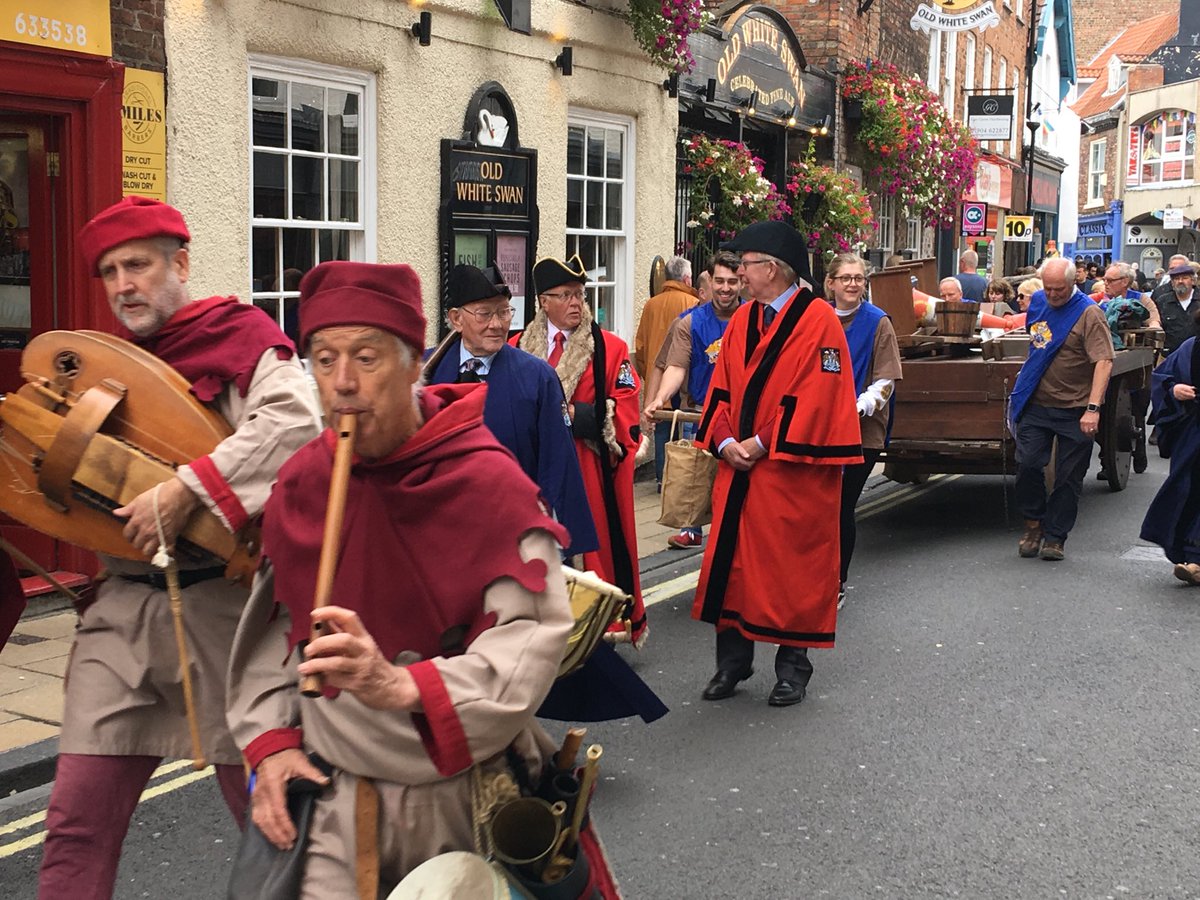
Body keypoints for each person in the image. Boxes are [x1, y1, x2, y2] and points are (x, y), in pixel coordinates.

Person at [224, 260, 618, 895]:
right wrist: (269, 743)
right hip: (336, 801)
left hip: (465, 799)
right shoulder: (303, 484)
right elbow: (273, 640)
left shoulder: (486, 482)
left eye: (367, 358)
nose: (343, 383)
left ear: (415, 364)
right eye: (324, 360)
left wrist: (401, 684)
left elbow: (531, 640)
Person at [39, 197, 322, 899]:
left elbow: (298, 421)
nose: (122, 284)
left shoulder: (241, 338)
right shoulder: (111, 367)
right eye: (109, 272)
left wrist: (187, 489)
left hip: (229, 621)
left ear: (181, 264)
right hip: (125, 621)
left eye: (136, 265)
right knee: (76, 823)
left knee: (273, 824)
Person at [691, 221, 861, 707]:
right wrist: (724, 441)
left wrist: (762, 444)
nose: (738, 273)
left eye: (744, 265)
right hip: (739, 471)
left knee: (793, 571)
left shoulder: (819, 321)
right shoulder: (743, 320)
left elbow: (821, 397)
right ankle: (732, 664)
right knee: (733, 567)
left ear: (770, 268)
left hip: (790, 472)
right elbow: (720, 386)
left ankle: (792, 669)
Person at [514, 255, 647, 645]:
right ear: (543, 301)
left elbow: (626, 407)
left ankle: (600, 628)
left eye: (580, 294)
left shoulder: (610, 349)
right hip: (533, 471)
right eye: (566, 295)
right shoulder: (518, 345)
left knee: (591, 549)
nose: (577, 303)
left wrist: (573, 414)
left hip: (586, 468)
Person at [425, 263, 597, 557]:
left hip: (514, 537)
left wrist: (554, 541)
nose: (497, 324)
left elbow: (558, 461)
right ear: (456, 319)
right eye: (485, 313)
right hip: (441, 535)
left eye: (504, 312)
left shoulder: (537, 377)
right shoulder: (424, 373)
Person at [1009, 257, 1114, 562]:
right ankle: (1033, 524)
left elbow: (1104, 362)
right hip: (1036, 403)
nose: (1053, 295)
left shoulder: (1088, 313)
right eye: (1049, 288)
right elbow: (1037, 340)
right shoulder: (1039, 301)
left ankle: (1056, 536)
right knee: (1027, 465)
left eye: (1060, 289)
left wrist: (1093, 409)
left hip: (1075, 407)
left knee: (1068, 478)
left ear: (1073, 284)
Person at [642, 250, 743, 549]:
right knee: (693, 475)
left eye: (733, 282)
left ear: (742, 283)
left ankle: (736, 532)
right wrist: (660, 399)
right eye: (720, 281)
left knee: (736, 481)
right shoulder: (690, 322)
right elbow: (675, 367)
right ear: (709, 282)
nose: (725, 288)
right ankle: (691, 528)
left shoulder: (757, 316)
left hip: (741, 416)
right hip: (699, 414)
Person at [824, 253, 902, 608]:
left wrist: (857, 406)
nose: (852, 284)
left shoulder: (877, 322)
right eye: (845, 278)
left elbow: (886, 381)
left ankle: (836, 581)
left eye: (858, 278)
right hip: (817, 428)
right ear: (831, 283)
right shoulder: (817, 318)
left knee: (840, 505)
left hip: (861, 431)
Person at [634, 255, 700, 489]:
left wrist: (648, 372)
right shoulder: (692, 304)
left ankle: (662, 480)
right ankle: (679, 481)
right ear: (685, 278)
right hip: (682, 381)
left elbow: (640, 346)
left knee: (662, 430)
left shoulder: (651, 304)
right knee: (684, 431)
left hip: (657, 376)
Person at [1140, 335, 1200, 585]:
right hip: (1193, 430)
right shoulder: (1192, 347)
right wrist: (1174, 390)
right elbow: (1163, 378)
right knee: (1188, 488)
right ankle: (1190, 557)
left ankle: (1196, 560)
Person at [1157, 262, 1200, 355]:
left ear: (1193, 281)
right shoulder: (1162, 301)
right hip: (1170, 356)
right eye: (1176, 279)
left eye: (1185, 278)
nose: (1180, 281)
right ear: (1172, 283)